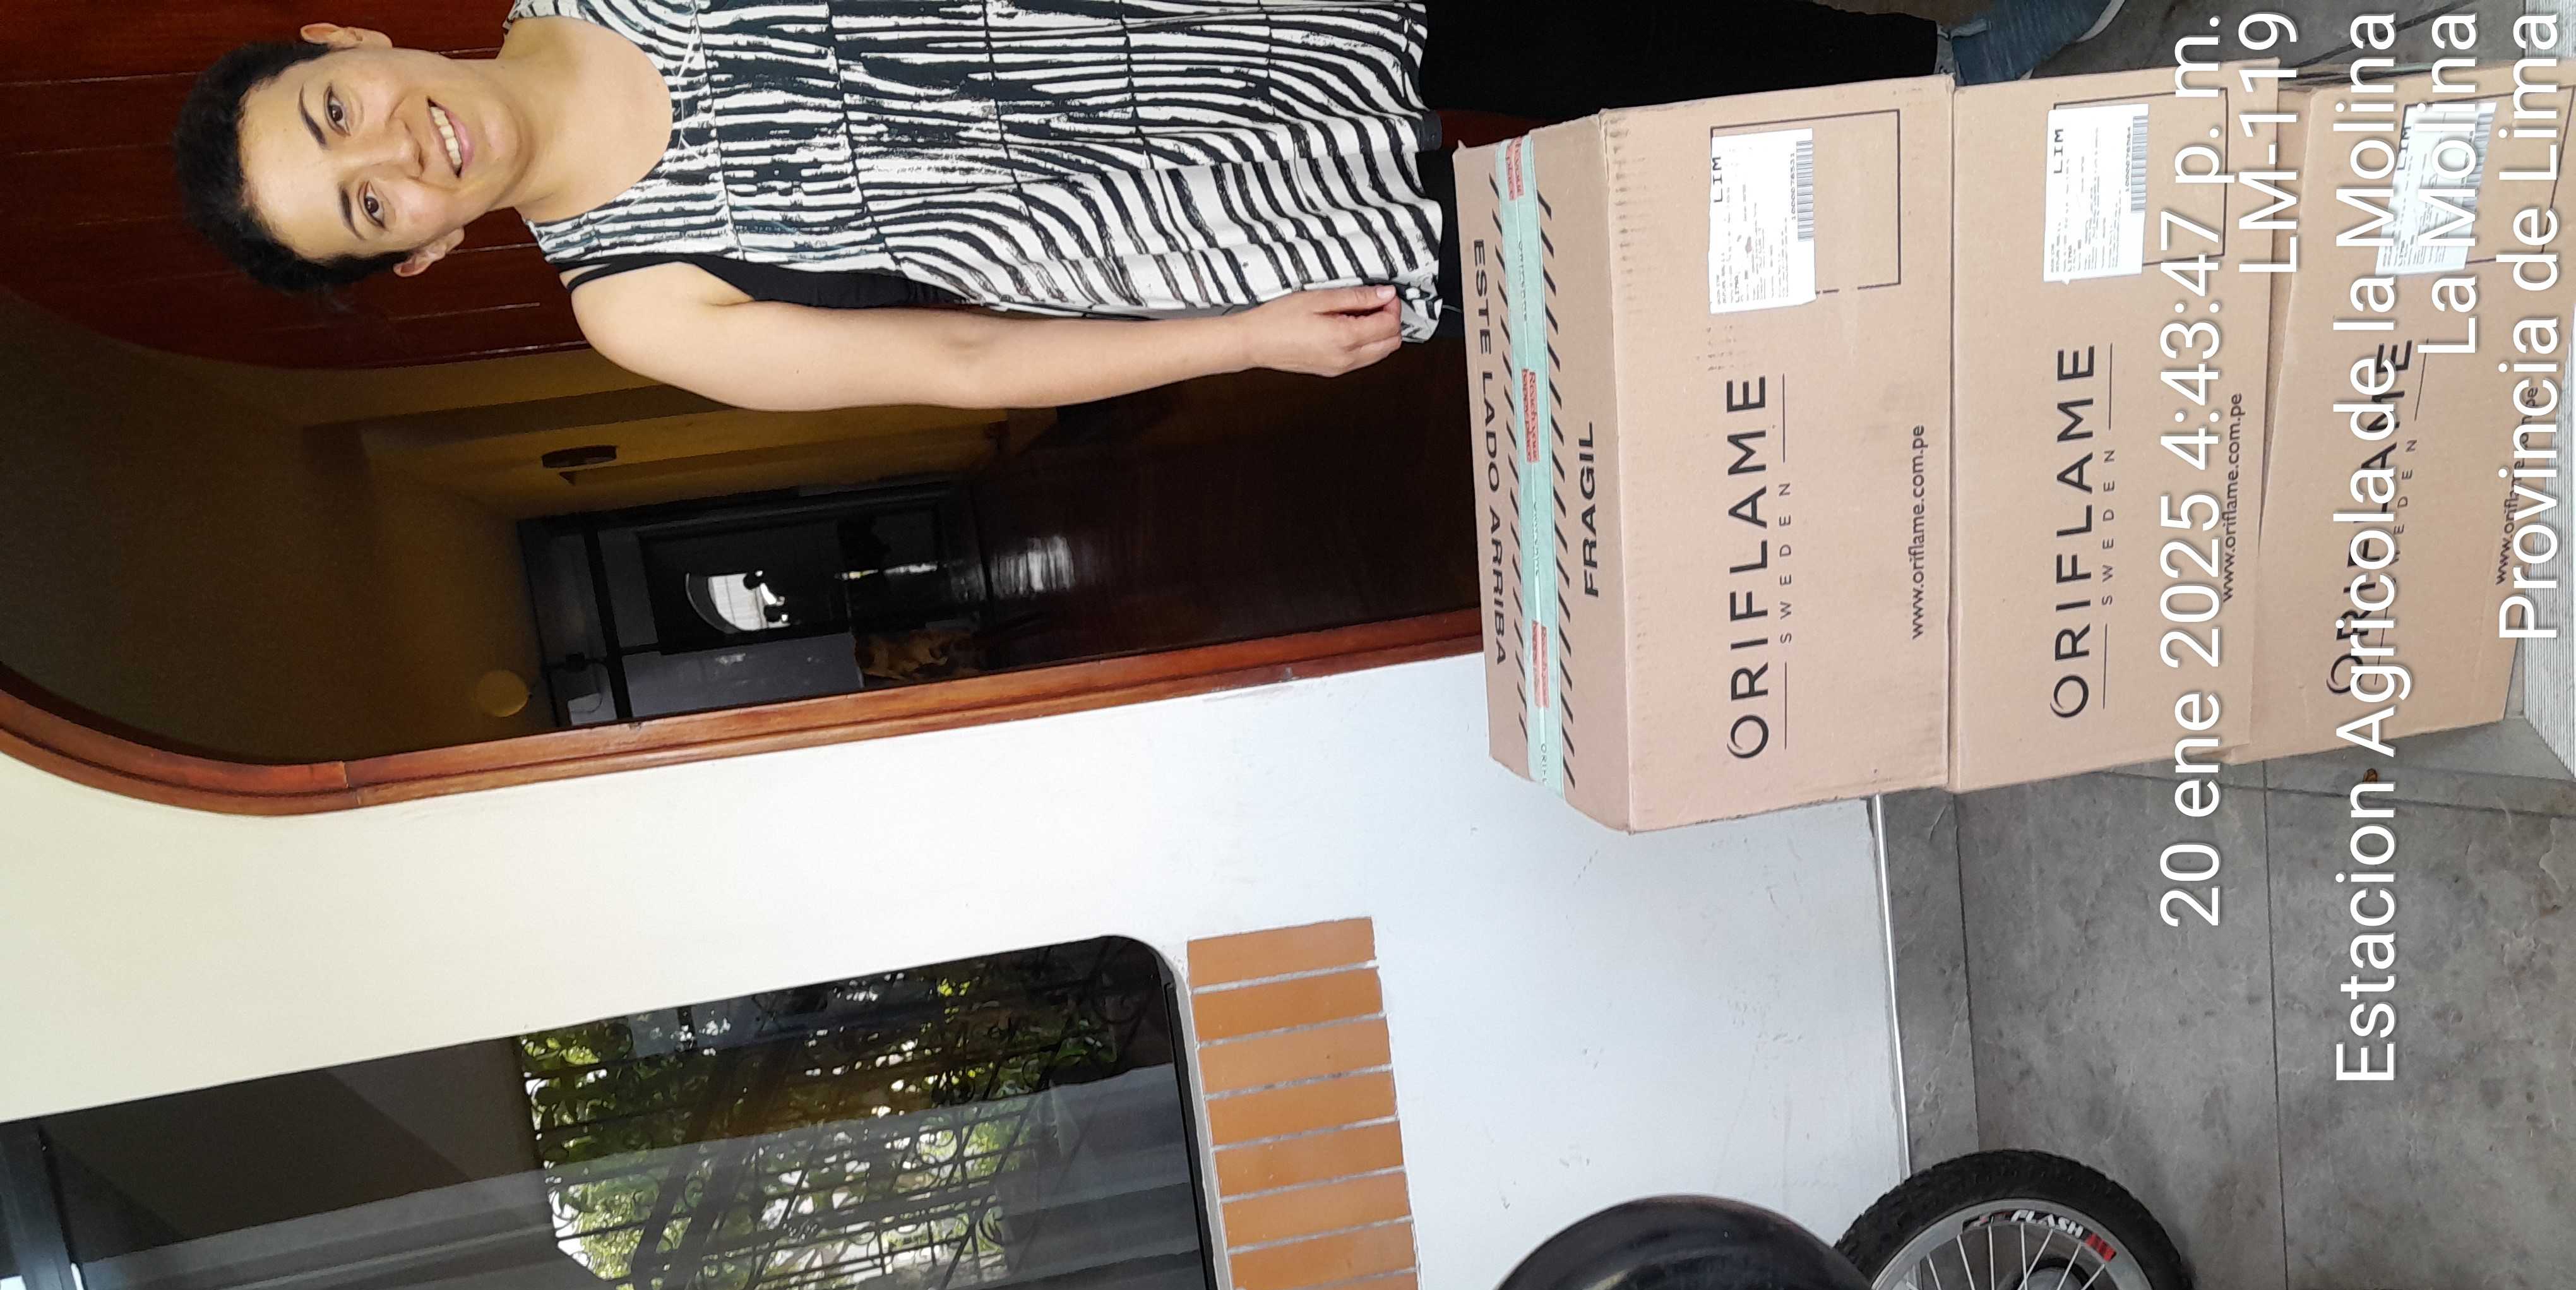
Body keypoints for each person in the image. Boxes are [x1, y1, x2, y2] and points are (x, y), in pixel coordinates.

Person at [173, 1, 2084, 415]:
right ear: (421, 248)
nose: (397, 149)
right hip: (1200, 224)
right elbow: (955, 360)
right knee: (1669, 229)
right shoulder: (635, 302)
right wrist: (1237, 338)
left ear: (351, 38)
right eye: (365, 205)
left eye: (340, 113)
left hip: (1218, 9)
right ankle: (1997, 187)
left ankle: (1967, 64)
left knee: (1655, 33)